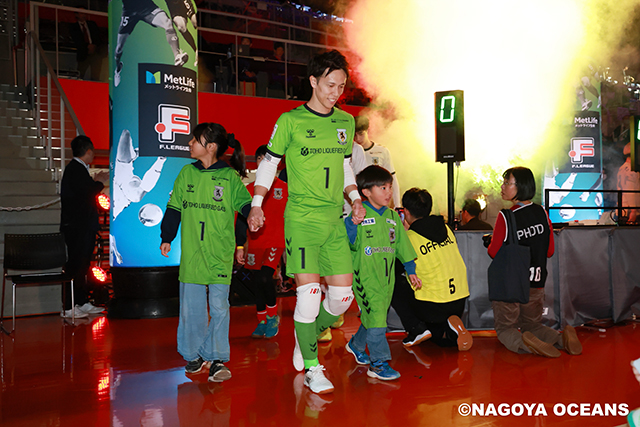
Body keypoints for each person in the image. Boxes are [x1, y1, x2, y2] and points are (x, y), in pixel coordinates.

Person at [247, 50, 366, 395]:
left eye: (341, 87)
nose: (335, 93)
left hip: (334, 220)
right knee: (310, 295)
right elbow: (269, 164)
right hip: (301, 219)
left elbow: (345, 166)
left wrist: (355, 198)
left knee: (342, 298)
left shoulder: (345, 122)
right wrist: (257, 204)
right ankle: (313, 367)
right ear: (313, 81)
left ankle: (307, 335)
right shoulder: (291, 121)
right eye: (330, 85)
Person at [160, 123, 251, 382]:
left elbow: (245, 205)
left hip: (219, 253)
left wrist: (252, 217)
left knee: (220, 308)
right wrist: (167, 237)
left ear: (210, 147)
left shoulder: (230, 177)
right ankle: (194, 354)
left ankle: (217, 358)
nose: (190, 144)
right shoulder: (186, 173)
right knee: (192, 309)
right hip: (192, 254)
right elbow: (174, 207)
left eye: (194, 140)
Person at [487, 166, 582, 357]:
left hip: (511, 284)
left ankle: (527, 345)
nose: (502, 186)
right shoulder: (542, 213)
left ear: (520, 186)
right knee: (533, 325)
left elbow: (493, 251)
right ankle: (559, 339)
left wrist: (491, 241)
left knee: (505, 328)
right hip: (536, 281)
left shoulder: (506, 216)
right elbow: (550, 250)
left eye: (507, 183)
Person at [343, 165, 419, 380]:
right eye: (383, 188)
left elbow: (403, 246)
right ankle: (378, 364)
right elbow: (347, 240)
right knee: (377, 318)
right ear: (366, 192)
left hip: (387, 279)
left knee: (374, 316)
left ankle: (356, 345)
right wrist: (352, 223)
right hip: (365, 278)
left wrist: (411, 270)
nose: (389, 192)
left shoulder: (393, 217)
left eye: (390, 187)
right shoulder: (358, 216)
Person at [391, 188, 473, 351]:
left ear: (406, 212)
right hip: (459, 302)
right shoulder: (447, 229)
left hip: (432, 305)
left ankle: (415, 328)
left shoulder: (409, 239)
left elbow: (394, 268)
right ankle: (450, 328)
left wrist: (402, 236)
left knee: (392, 280)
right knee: (437, 339)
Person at [60, 135, 109, 318]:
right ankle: (68, 306)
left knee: (83, 265)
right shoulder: (75, 169)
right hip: (77, 226)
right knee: (75, 265)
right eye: (92, 152)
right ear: (88, 151)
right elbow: (87, 192)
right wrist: (99, 182)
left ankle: (81, 301)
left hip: (82, 226)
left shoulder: (77, 169)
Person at [244, 145, 288, 339]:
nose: (263, 162)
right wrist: (240, 245)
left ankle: (272, 317)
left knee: (264, 277)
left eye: (267, 159)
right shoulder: (248, 190)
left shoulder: (285, 188)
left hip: (275, 241)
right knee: (257, 282)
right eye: (260, 158)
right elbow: (240, 219)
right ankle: (261, 320)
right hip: (254, 242)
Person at [113, 0, 188, 88]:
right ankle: (118, 69)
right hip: (129, 11)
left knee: (167, 23)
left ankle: (177, 56)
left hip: (147, 7)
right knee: (119, 47)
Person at [112, 129, 166, 222]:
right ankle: (158, 160)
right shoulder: (133, 194)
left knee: (125, 134)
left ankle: (133, 156)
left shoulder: (131, 192)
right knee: (137, 194)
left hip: (120, 186)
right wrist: (160, 161)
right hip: (124, 192)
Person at [353, 115, 401, 207]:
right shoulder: (350, 152)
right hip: (358, 203)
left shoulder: (382, 151)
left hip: (379, 203)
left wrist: (397, 205)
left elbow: (393, 179)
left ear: (367, 131)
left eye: (361, 134)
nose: (358, 138)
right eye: (355, 135)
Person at [69, 10, 103, 81]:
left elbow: (98, 36)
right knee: (81, 73)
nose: (84, 15)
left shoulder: (92, 24)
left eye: (84, 13)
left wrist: (94, 46)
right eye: (81, 13)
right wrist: (87, 46)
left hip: (95, 52)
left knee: (96, 75)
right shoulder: (74, 27)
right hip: (83, 53)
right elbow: (77, 39)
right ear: (76, 15)